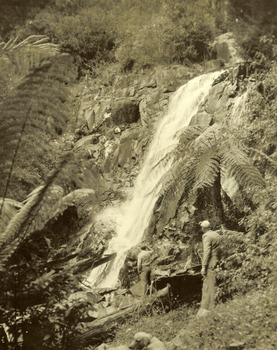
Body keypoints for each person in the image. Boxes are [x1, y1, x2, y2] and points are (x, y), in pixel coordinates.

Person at [197, 220, 221, 317]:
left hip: (211, 262)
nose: (201, 229)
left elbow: (207, 252)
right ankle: (214, 305)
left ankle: (208, 309)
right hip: (218, 260)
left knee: (208, 285)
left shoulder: (206, 236)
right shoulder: (216, 234)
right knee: (214, 283)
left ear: (204, 228)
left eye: (202, 228)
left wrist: (203, 267)